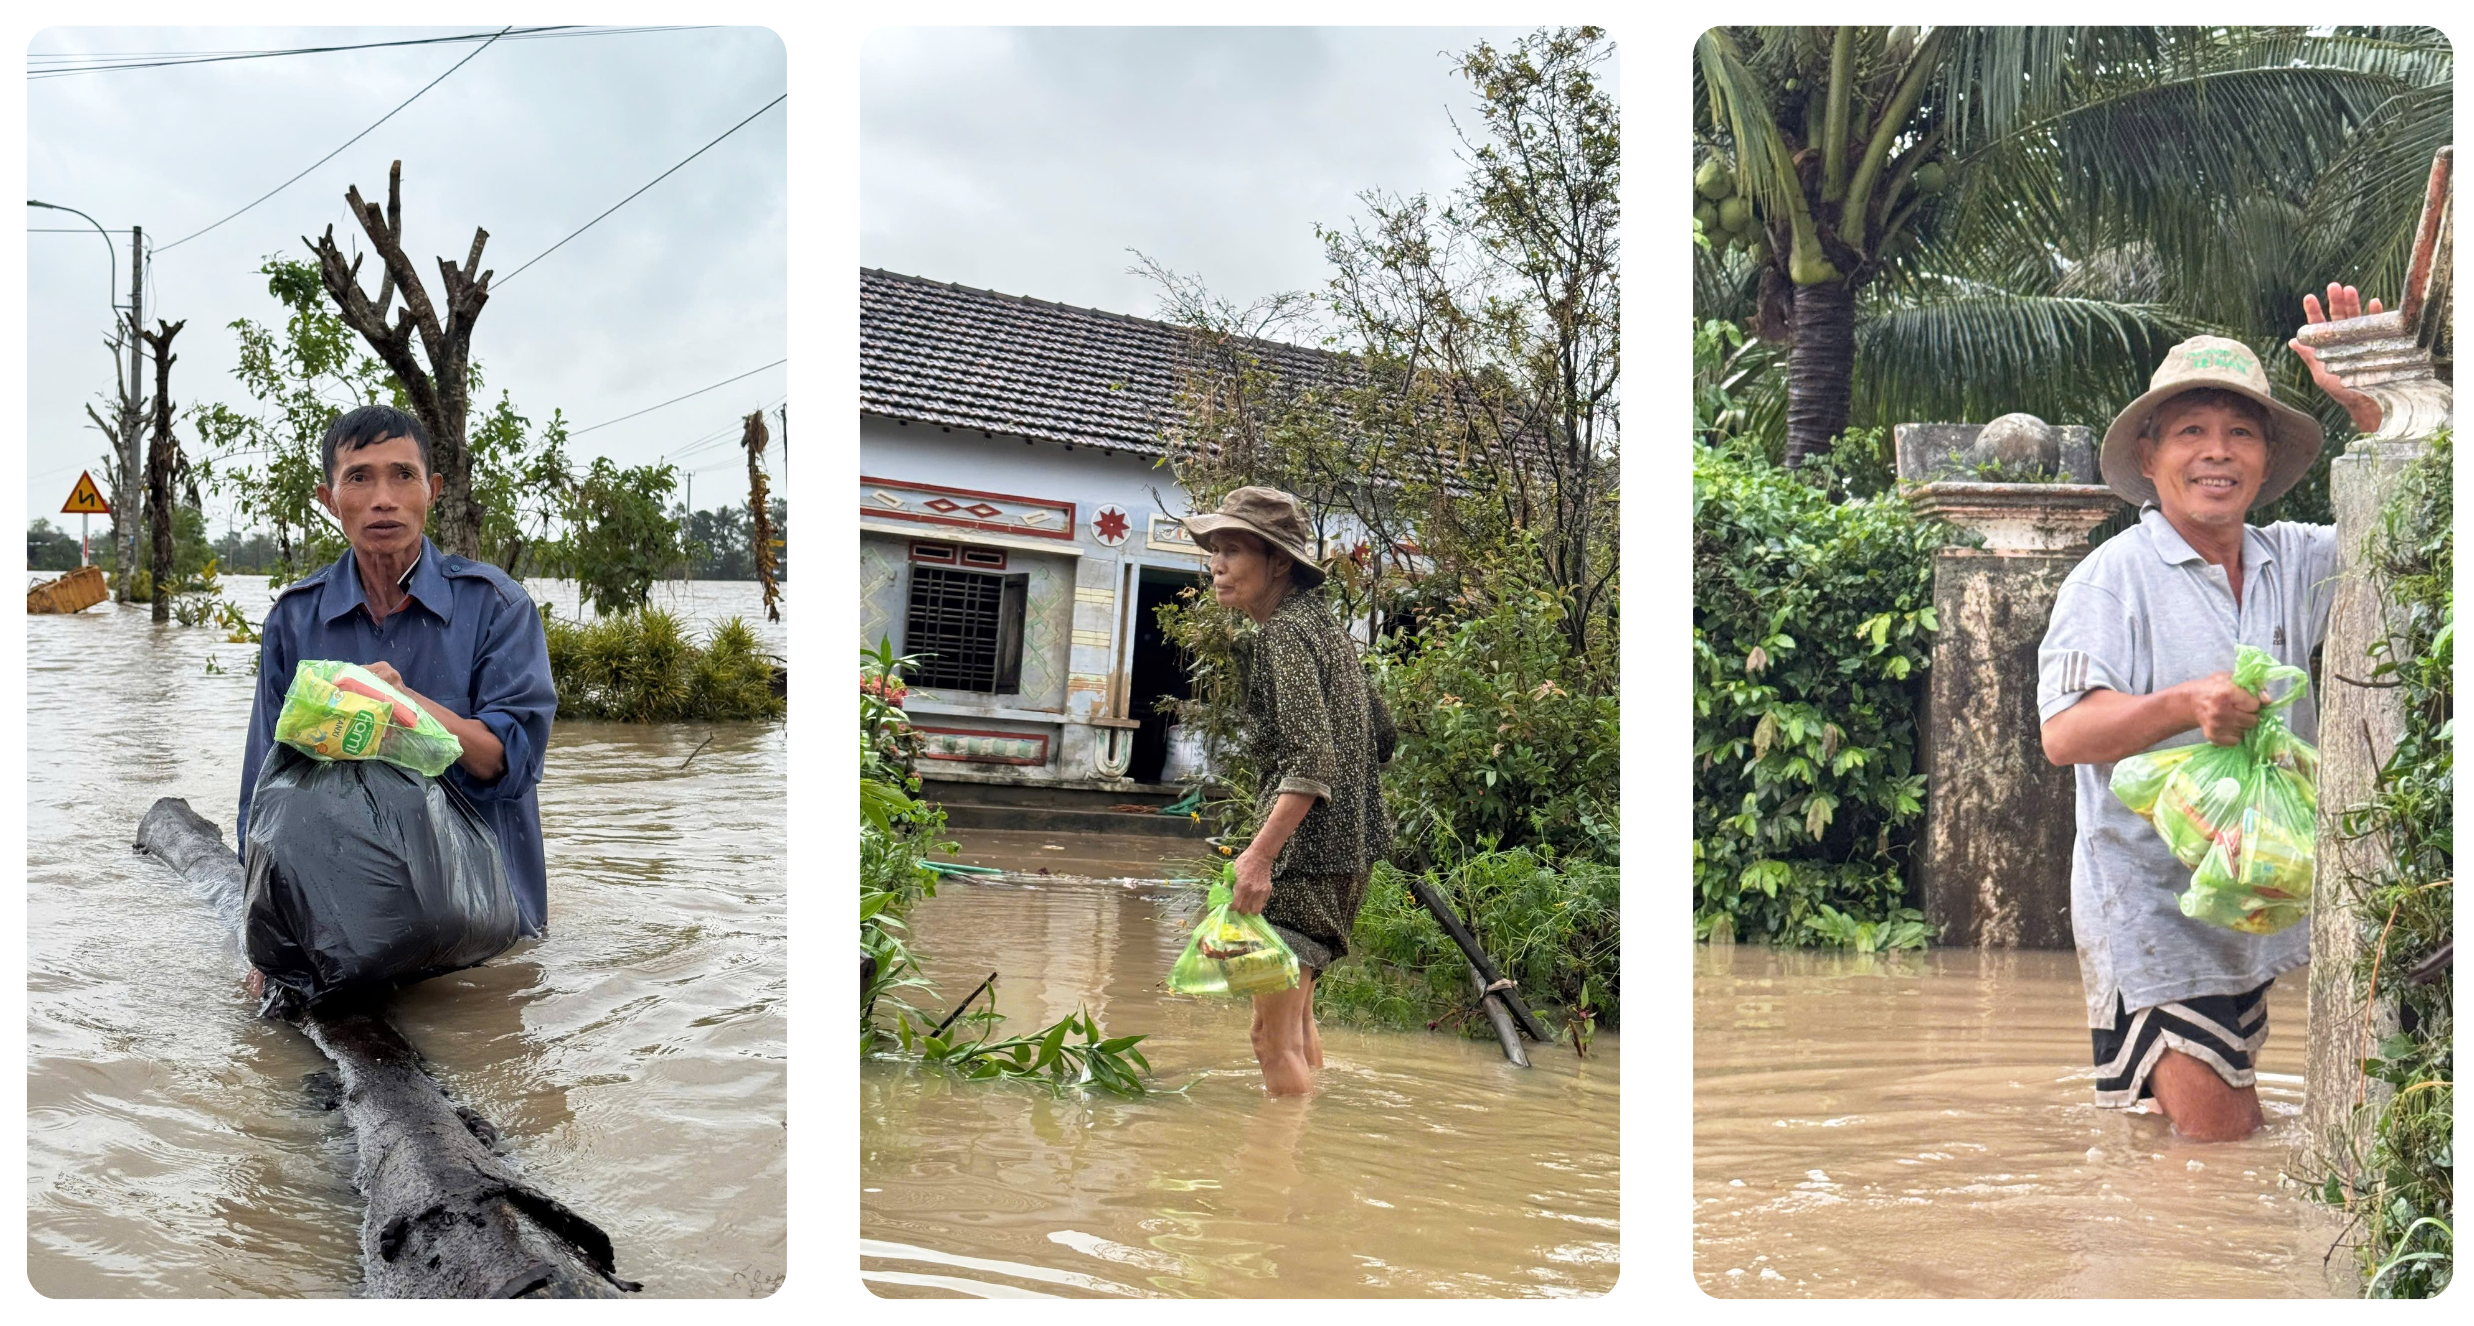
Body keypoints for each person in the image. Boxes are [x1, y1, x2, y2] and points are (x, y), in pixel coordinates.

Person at [2036, 285, 2378, 1141]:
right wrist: (2186, 704)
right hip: (2151, 915)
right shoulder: (2112, 578)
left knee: (2183, 1162)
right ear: (2149, 458)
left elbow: (2426, 517)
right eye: (2192, 432)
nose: (2216, 453)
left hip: (2251, 905)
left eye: (2240, 433)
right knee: (2227, 1152)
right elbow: (2064, 733)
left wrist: (2376, 408)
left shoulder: (2296, 560)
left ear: (2268, 460)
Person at [237, 406, 558, 991]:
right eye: (358, 477)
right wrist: (262, 939)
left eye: (403, 475)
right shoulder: (294, 618)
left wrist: (398, 704)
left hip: (485, 924)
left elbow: (507, 764)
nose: (383, 498)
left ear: (431, 491)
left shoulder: (497, 606)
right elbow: (264, 789)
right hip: (345, 926)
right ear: (329, 500)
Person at [1184, 486, 1395, 1096]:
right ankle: (1311, 1141)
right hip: (1347, 855)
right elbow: (1381, 735)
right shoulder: (1326, 632)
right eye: (1213, 551)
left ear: (1278, 562)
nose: (1216, 565)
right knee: (1296, 1023)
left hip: (1303, 860)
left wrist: (1259, 856)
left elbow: (1311, 755)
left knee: (1268, 1040)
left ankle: (1280, 1182)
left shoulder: (1281, 634)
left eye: (1232, 550)